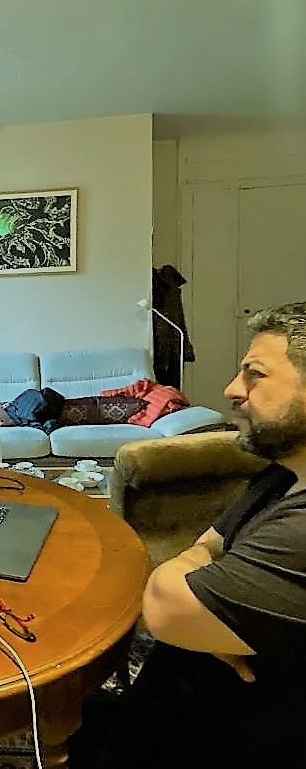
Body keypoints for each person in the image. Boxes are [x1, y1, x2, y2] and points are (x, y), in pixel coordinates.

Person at [70, 302, 306, 769]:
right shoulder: (282, 476)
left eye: (255, 374)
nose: (231, 390)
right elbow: (208, 541)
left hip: (231, 737)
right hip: (181, 700)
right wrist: (201, 580)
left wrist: (188, 583)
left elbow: (164, 604)